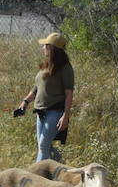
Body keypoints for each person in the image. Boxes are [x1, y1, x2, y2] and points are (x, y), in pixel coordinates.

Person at [14, 31, 74, 162]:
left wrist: (66, 116)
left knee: (43, 146)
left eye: (45, 45)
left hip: (55, 112)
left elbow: (69, 93)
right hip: (41, 112)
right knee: (44, 146)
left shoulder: (65, 68)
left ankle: (36, 177)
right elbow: (36, 88)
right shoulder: (46, 65)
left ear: (52, 48)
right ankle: (59, 163)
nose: (43, 48)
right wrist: (25, 101)